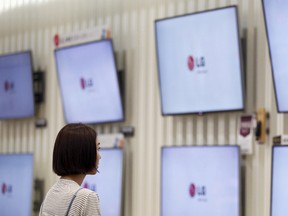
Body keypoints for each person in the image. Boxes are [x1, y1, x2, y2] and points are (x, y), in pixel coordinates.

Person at [39, 123, 101, 216]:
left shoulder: (51, 194)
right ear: (83, 152)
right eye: (97, 149)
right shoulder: (87, 197)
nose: (100, 156)